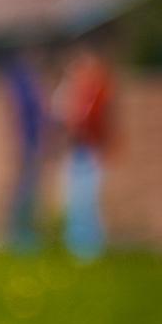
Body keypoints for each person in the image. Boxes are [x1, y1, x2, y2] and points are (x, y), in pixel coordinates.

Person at [54, 42, 114, 260]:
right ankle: (77, 244)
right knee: (75, 200)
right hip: (76, 151)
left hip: (90, 151)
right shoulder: (70, 93)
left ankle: (90, 245)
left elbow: (101, 122)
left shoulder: (99, 94)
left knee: (87, 199)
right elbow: (60, 114)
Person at [2, 49, 45, 253]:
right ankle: (18, 234)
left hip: (31, 143)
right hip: (29, 144)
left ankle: (19, 233)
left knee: (27, 190)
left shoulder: (24, 83)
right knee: (25, 191)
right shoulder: (25, 84)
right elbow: (29, 117)